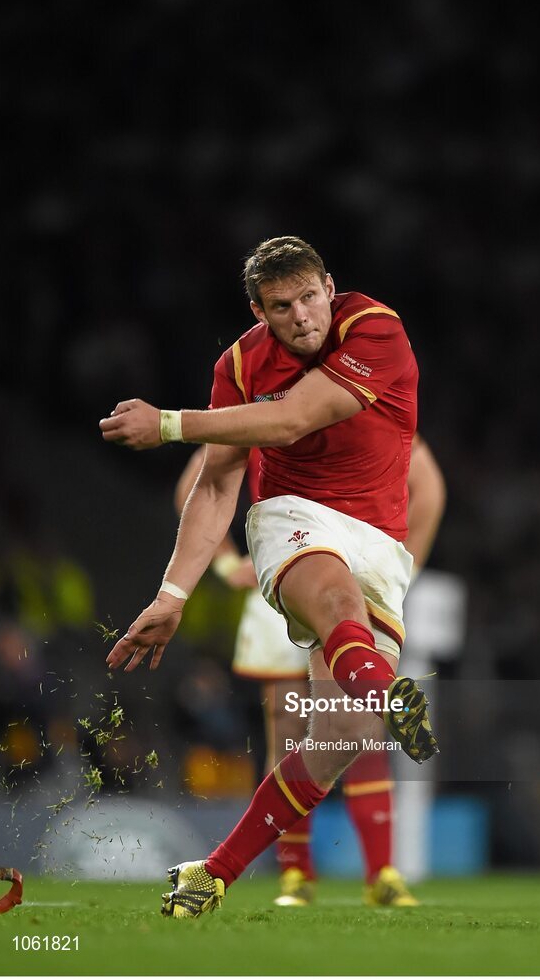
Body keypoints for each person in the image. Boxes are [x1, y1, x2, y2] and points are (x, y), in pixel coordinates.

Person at [99, 235, 440, 918]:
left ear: (329, 287)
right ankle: (389, 693)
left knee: (341, 740)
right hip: (292, 519)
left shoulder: (374, 328)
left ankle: (214, 871)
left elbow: (293, 419)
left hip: (379, 538)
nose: (302, 316)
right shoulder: (241, 366)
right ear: (259, 310)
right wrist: (174, 594)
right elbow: (216, 487)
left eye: (311, 297)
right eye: (282, 306)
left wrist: (167, 424)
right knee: (324, 630)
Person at [175, 434, 446, 907]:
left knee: (348, 731)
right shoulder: (269, 401)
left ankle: (374, 871)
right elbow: (201, 479)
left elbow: (428, 485)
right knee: (294, 728)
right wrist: (224, 565)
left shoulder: (351, 392)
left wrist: (405, 569)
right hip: (286, 563)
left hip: (350, 568)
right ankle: (300, 874)